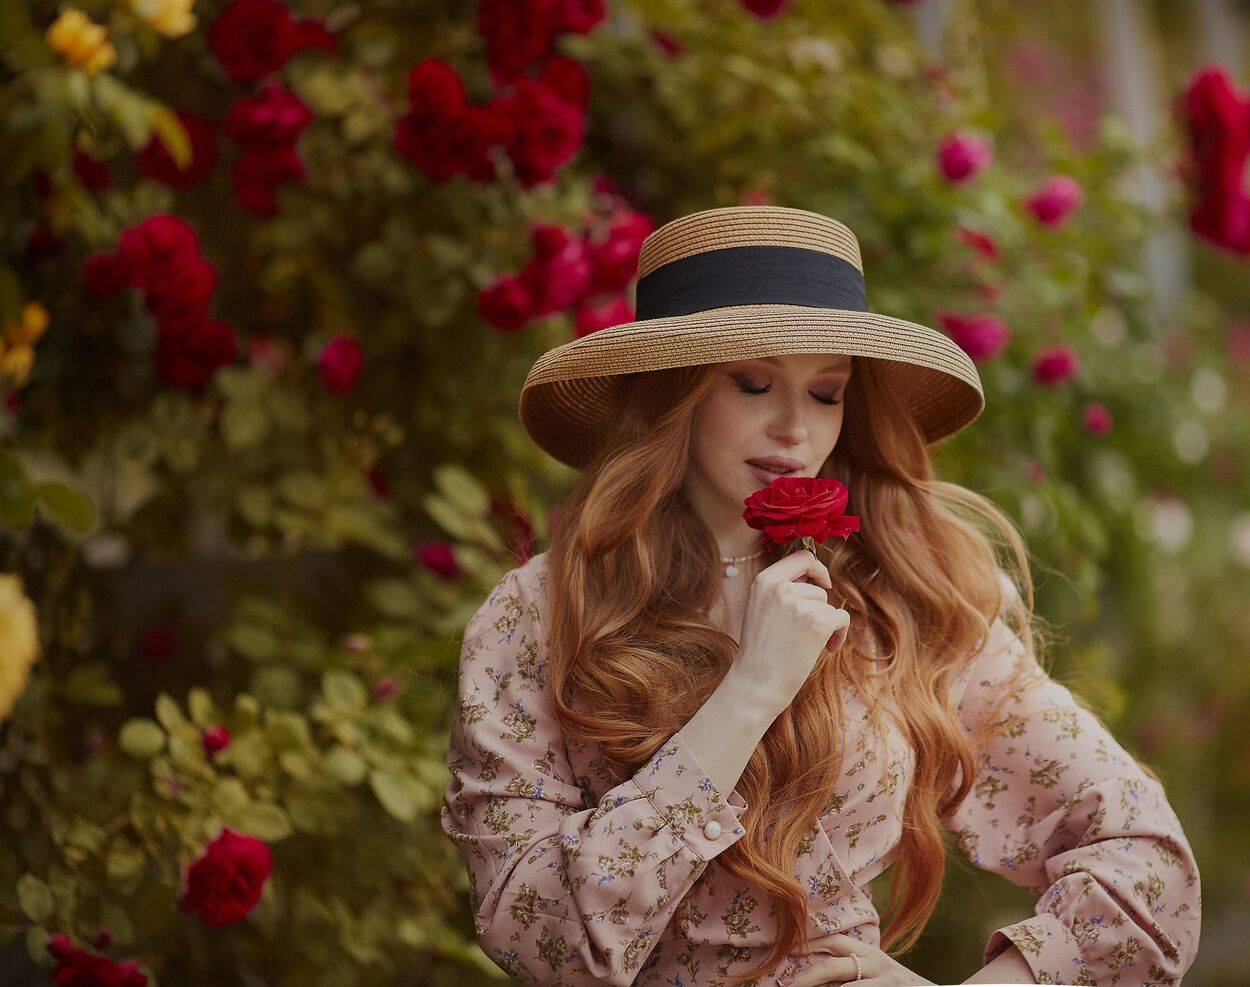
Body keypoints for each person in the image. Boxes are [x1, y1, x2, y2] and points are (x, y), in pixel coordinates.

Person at [441, 205, 1201, 986]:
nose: (793, 429)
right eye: (753, 383)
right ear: (672, 392)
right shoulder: (539, 613)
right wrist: (750, 692)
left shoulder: (903, 601)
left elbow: (1147, 857)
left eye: (827, 392)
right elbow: (534, 935)